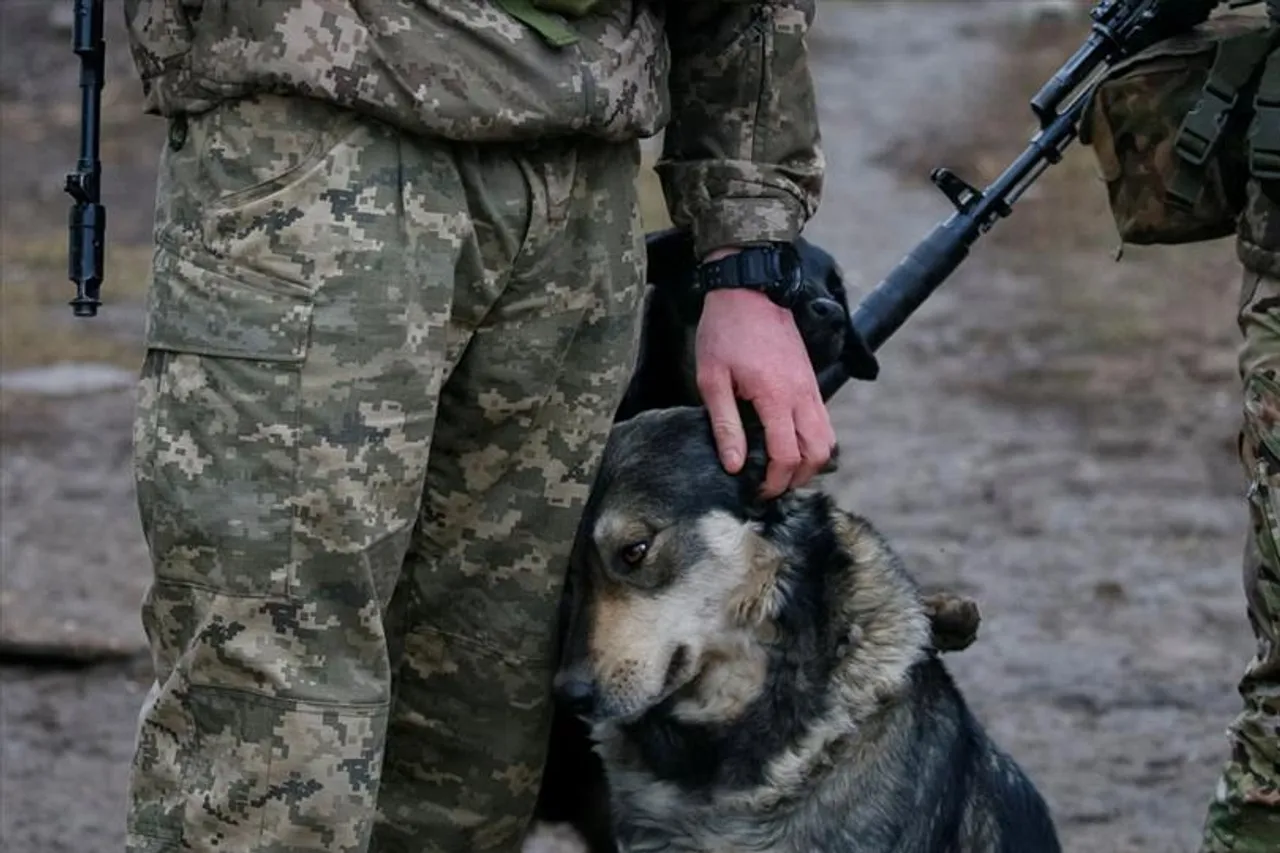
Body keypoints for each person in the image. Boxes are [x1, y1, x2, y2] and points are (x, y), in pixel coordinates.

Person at [118, 1, 835, 851]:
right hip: (316, 144)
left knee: (475, 736)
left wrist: (745, 257)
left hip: (578, 190)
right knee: (267, 720)